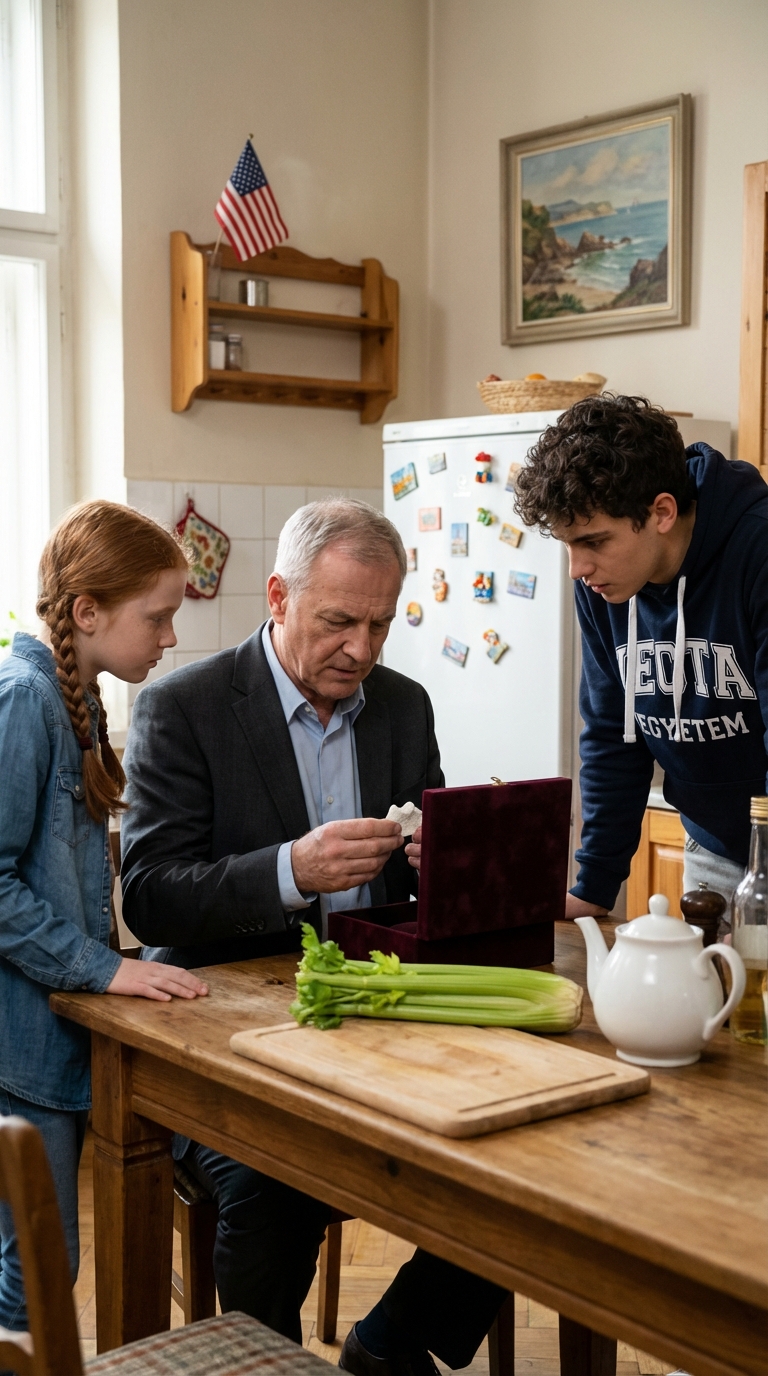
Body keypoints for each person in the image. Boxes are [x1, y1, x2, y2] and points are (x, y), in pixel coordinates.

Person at [121, 498, 506, 1376]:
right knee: (273, 1183)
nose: (362, 651)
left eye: (380, 624)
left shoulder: (403, 707)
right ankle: (268, 1363)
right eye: (339, 622)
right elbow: (148, 898)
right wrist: (291, 869)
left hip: (380, 1020)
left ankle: (389, 1343)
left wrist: (466, 855)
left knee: (513, 1164)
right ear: (279, 597)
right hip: (221, 1037)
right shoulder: (184, 707)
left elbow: (424, 886)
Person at [0, 502, 208, 1333]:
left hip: (50, 1037)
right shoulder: (25, 702)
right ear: (87, 613)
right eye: (156, 617)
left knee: (40, 1265)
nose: (168, 638)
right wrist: (108, 969)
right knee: (39, 1275)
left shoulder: (75, 700)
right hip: (18, 1044)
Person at [514, 393, 768, 922]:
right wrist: (594, 883)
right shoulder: (606, 585)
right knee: (712, 1000)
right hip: (715, 849)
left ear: (661, 512)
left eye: (593, 541)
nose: (576, 568)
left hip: (760, 847)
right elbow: (612, 732)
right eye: (566, 544)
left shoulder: (758, 552)